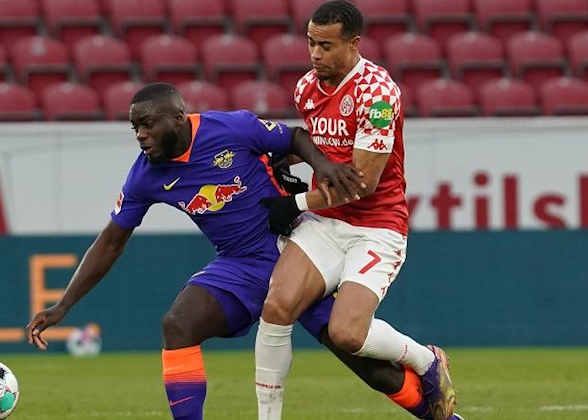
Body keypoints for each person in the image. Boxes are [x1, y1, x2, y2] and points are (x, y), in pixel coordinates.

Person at [25, 82, 416, 420]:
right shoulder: (146, 174)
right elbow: (111, 241)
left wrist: (323, 165)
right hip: (240, 265)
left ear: (178, 118)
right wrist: (63, 306)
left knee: (377, 373)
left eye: (147, 124)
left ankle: (443, 408)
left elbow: (293, 137)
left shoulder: (230, 127)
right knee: (178, 324)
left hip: (297, 250)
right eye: (134, 127)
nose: (140, 135)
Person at [254, 2, 459, 420]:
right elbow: (325, 146)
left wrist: (292, 204)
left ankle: (426, 361)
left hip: (377, 226)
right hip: (326, 223)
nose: (315, 54)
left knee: (346, 334)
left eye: (326, 46)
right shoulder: (307, 87)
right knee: (276, 307)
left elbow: (361, 183)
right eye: (311, 43)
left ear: (354, 44)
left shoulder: (378, 94)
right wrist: (282, 161)